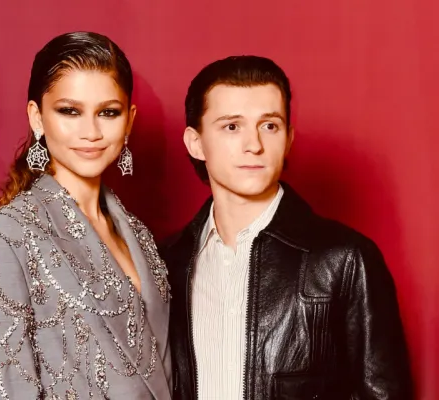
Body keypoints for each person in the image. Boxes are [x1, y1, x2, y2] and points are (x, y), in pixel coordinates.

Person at [162, 56, 413, 399]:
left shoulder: (346, 258)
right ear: (196, 143)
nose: (254, 145)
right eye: (232, 127)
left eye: (269, 126)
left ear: (289, 138)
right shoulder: (166, 262)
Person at [0, 31, 172, 400]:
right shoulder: (4, 236)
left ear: (129, 121)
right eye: (69, 111)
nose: (91, 132)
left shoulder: (139, 235)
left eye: (108, 112)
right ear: (37, 117)